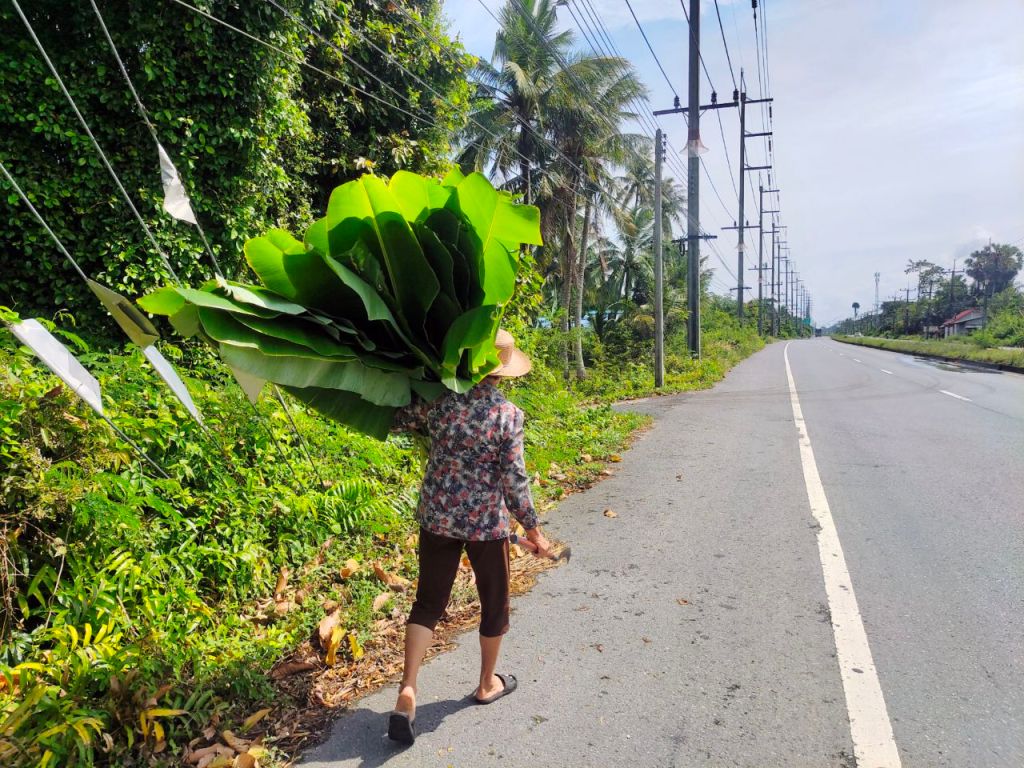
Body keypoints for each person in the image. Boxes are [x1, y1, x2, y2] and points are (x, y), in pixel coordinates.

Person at [386, 329, 551, 745]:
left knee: (428, 603)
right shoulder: (507, 414)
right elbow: (514, 481)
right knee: (494, 603)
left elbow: (396, 419)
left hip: (437, 517)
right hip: (486, 526)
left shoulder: (441, 400)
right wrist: (533, 529)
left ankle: (408, 689)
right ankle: (486, 683)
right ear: (502, 373)